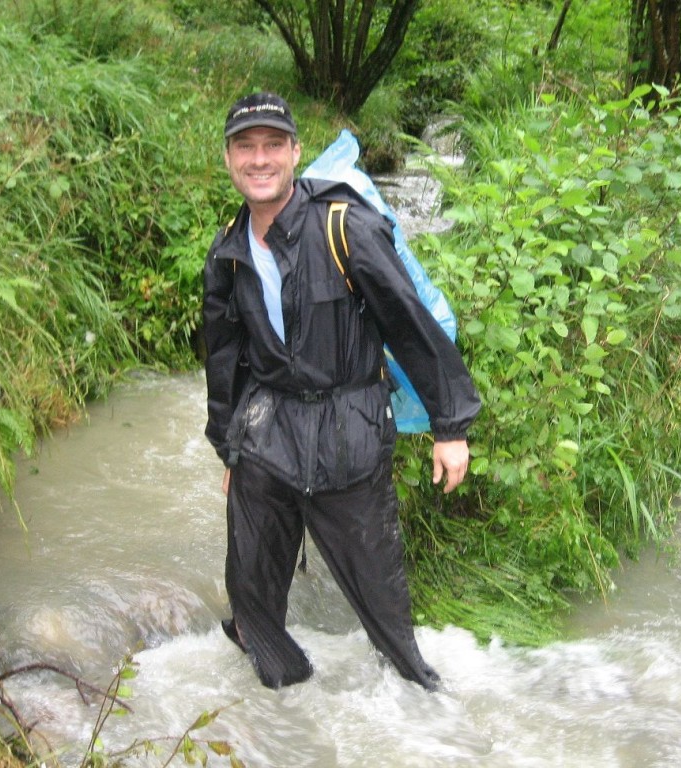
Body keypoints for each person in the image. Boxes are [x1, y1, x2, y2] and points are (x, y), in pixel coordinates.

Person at [202, 92, 481, 691]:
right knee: (250, 595)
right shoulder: (227, 251)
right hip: (265, 442)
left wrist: (450, 426)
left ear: (295, 153)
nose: (259, 160)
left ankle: (421, 706)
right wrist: (231, 450)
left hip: (348, 438)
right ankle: (283, 710)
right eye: (245, 147)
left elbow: (410, 325)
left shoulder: (343, 226)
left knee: (381, 606)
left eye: (273, 145)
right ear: (228, 159)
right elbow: (226, 359)